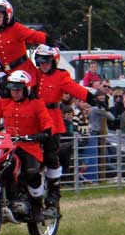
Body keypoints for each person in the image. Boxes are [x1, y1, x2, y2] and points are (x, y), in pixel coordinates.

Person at [0, 70, 52, 220]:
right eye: (12, 89)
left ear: (26, 89)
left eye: (18, 89)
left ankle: (37, 207)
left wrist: (43, 134)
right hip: (8, 147)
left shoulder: (36, 104)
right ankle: (2, 197)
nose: (15, 92)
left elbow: (46, 123)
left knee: (32, 174)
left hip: (29, 148)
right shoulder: (4, 103)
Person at [33, 45, 99, 197]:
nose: (43, 64)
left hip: (52, 119)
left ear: (53, 62)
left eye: (47, 61)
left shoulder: (61, 76)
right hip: (33, 118)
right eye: (41, 61)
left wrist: (93, 99)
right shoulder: (34, 74)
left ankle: (54, 189)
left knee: (50, 156)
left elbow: (76, 89)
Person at [0, 0, 48, 87]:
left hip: (26, 71)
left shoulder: (16, 28)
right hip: (6, 75)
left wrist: (51, 43)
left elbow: (36, 36)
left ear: (7, 17)